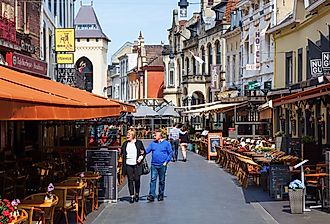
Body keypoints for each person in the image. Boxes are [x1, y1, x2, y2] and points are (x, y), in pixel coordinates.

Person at [145, 130, 173, 202]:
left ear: (160, 136)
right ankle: (151, 195)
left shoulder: (166, 144)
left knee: (161, 180)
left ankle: (161, 194)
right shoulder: (153, 144)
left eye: (155, 135)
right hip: (154, 164)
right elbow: (147, 151)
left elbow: (170, 153)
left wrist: (166, 162)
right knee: (153, 180)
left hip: (162, 165)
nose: (154, 136)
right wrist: (141, 152)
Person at [121, 129, 146, 203]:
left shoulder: (139, 143)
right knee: (130, 180)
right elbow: (122, 152)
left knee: (137, 179)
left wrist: (140, 158)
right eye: (127, 134)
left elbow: (143, 152)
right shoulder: (125, 143)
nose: (127, 135)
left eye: (129, 134)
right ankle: (131, 195)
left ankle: (137, 194)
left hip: (137, 164)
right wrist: (119, 151)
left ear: (133, 135)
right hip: (128, 164)